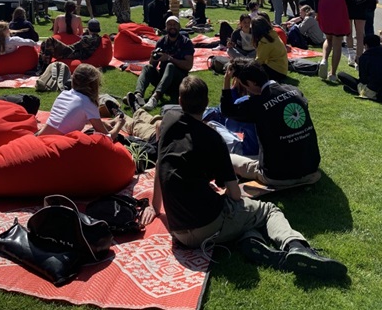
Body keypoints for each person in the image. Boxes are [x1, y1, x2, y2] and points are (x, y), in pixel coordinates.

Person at [140, 75, 346, 280]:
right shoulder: (213, 140)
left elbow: (160, 164)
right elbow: (235, 194)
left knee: (243, 217)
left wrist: (155, 207)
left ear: (179, 100)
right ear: (205, 102)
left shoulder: (167, 122)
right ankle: (297, 246)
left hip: (177, 229)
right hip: (206, 224)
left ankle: (251, 242)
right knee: (266, 210)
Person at [220, 59, 321, 186]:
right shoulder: (295, 90)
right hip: (311, 167)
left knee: (229, 158)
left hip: (277, 175)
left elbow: (226, 110)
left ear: (251, 83)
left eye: (245, 86)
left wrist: (226, 80)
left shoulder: (257, 104)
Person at [36, 64, 124, 139]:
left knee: (90, 132)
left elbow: (72, 118)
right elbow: (107, 138)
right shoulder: (87, 103)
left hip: (39, 137)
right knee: (94, 137)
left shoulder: (64, 94)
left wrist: (107, 122)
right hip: (52, 145)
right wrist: (119, 125)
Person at [133, 16, 195, 111]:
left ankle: (155, 98)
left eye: (174, 24)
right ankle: (138, 96)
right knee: (147, 68)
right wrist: (154, 57)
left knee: (170, 65)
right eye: (169, 25)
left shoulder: (186, 43)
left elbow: (188, 66)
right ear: (166, 27)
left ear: (179, 27)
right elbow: (152, 65)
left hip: (178, 81)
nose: (172, 27)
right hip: (162, 78)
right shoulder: (161, 41)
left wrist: (170, 58)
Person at [314, 0, 353, 83]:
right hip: (340, 9)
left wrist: (317, 13)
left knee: (328, 38)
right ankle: (332, 73)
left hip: (324, 8)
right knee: (337, 42)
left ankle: (324, 59)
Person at [337, 35, 382, 101]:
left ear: (366, 45)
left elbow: (363, 79)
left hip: (372, 90)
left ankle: (357, 91)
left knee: (341, 74)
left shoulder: (365, 57)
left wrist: (360, 64)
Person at [38, 18, 103, 71]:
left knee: (50, 40)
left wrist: (62, 46)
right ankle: (41, 65)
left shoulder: (88, 38)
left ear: (89, 28)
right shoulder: (98, 38)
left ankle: (44, 66)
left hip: (75, 54)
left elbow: (74, 47)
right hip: (79, 53)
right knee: (45, 43)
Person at [345, 0, 376, 66]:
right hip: (348, 7)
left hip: (361, 8)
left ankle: (358, 58)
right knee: (348, 32)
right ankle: (351, 55)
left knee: (360, 35)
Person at [251, 16, 288, 81]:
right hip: (282, 69)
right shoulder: (273, 34)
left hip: (276, 71)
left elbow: (260, 60)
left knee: (250, 71)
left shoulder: (264, 41)